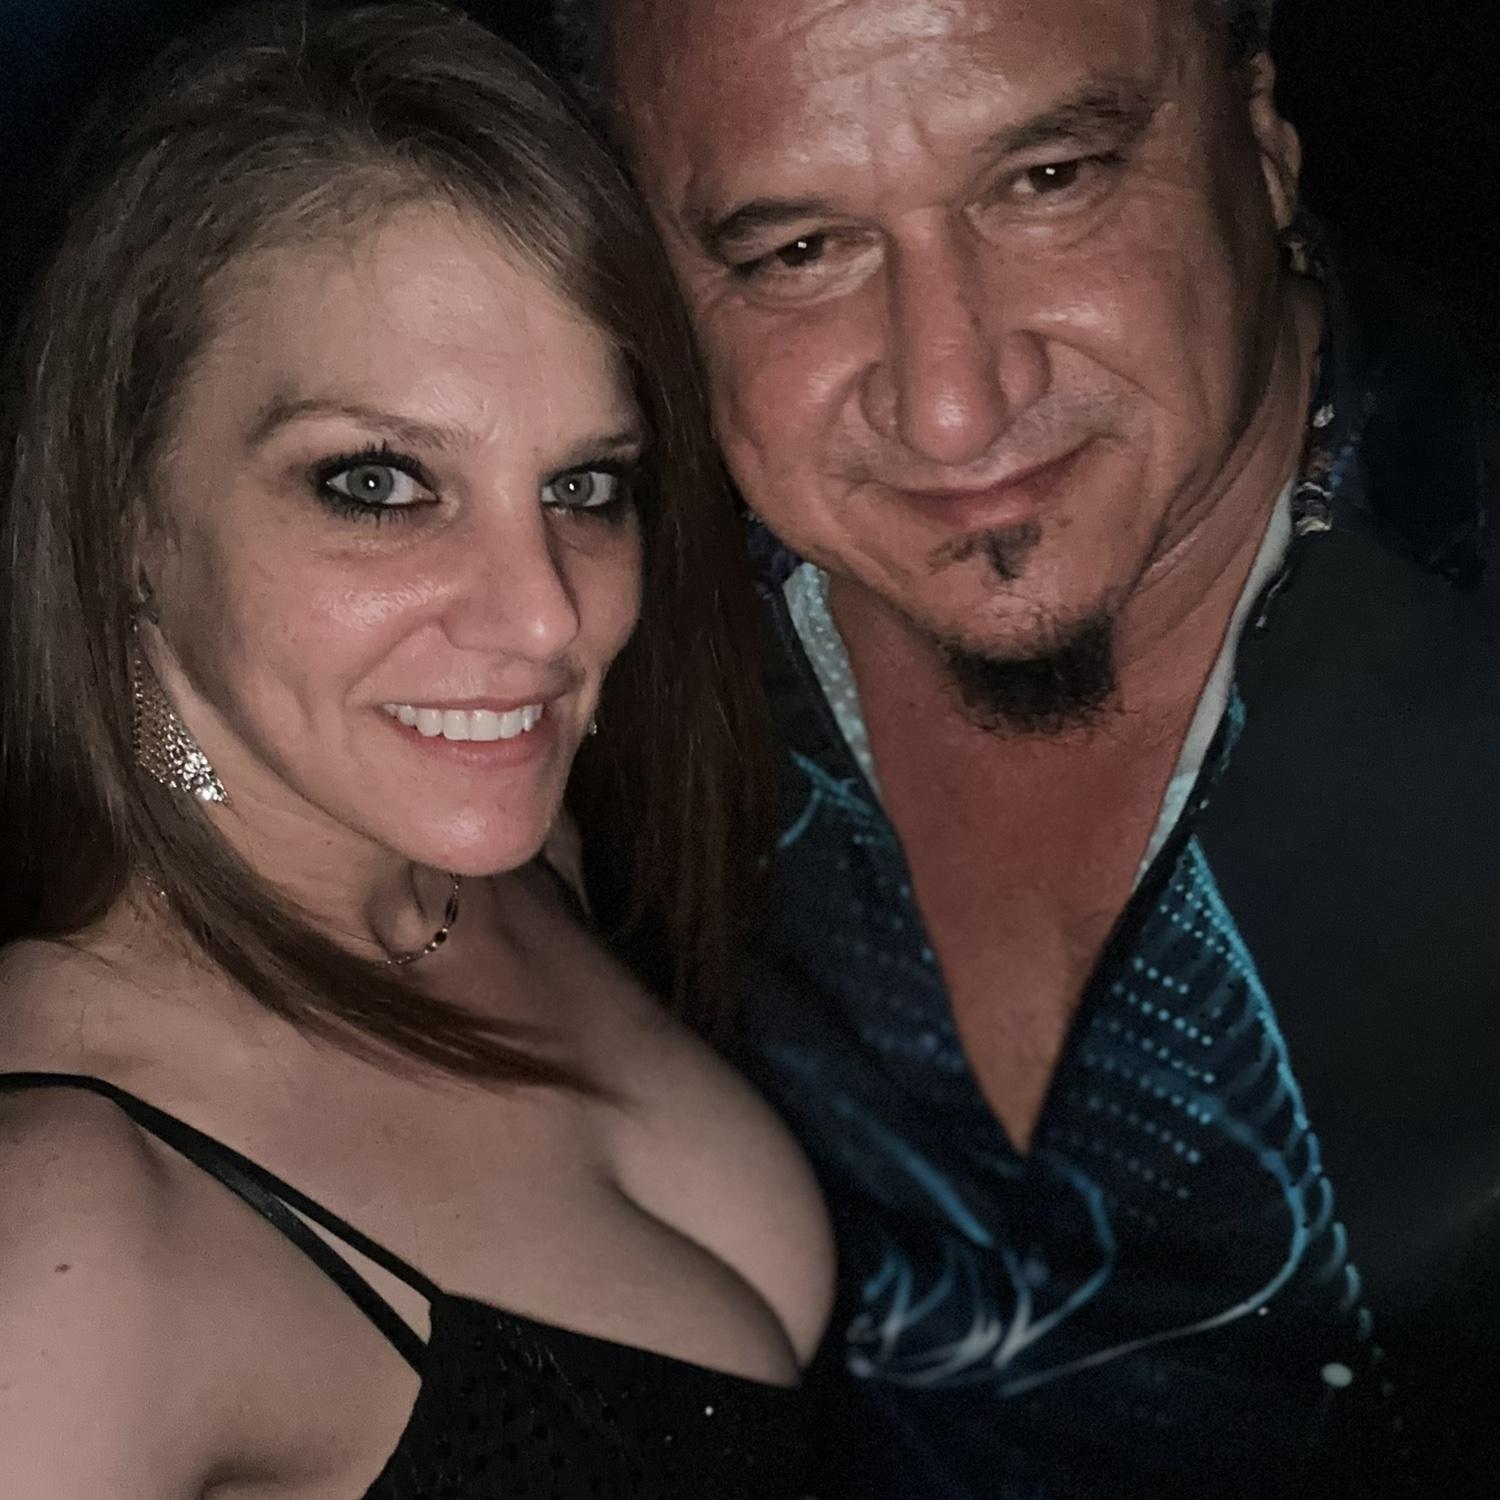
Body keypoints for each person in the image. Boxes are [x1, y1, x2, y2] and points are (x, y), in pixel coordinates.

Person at [552, 0, 1499, 1494]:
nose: (951, 408)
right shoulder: (564, 629)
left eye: (1049, 181)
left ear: (1260, 141)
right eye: (799, 250)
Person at [0, 4, 834, 1496]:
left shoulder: (494, 856)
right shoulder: (71, 1228)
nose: (546, 618)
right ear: (128, 517)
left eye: (585, 485)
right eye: (380, 483)